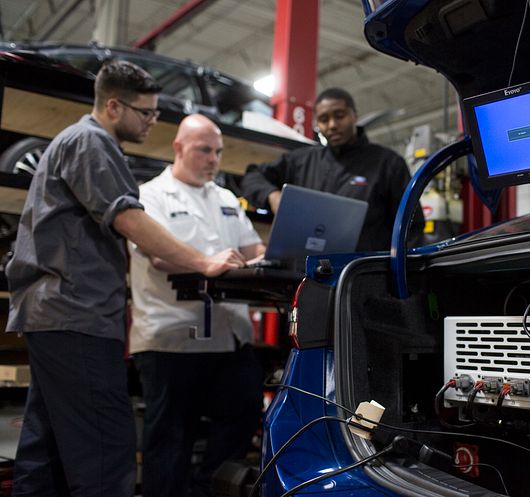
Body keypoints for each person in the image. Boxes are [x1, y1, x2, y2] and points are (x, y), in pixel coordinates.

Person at [5, 60, 246, 497]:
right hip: (76, 314)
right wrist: (203, 262)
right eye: (146, 113)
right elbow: (130, 219)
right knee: (105, 453)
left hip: (54, 315)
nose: (152, 122)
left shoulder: (77, 141)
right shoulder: (91, 142)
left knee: (48, 451)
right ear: (113, 105)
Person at [128, 114, 266, 497]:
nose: (213, 159)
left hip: (228, 339)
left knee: (243, 415)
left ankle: (210, 491)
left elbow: (255, 249)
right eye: (204, 150)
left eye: (218, 152)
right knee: (170, 441)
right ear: (178, 147)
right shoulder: (149, 195)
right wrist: (211, 261)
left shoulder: (225, 199)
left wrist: (264, 258)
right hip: (172, 339)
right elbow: (158, 255)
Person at [240, 87, 423, 252]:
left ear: (354, 115)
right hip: (308, 271)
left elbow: (412, 225)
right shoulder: (301, 161)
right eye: (324, 119)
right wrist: (272, 196)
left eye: (339, 115)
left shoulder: (388, 163)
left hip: (362, 275)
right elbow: (252, 177)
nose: (332, 125)